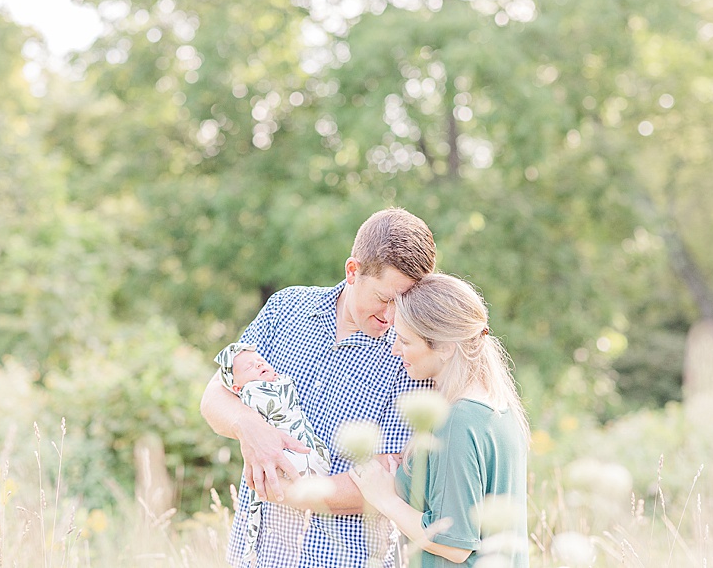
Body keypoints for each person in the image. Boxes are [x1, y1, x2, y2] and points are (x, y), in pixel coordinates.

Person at [200, 207, 437, 568]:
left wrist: (286, 492)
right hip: (256, 556)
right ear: (353, 271)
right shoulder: (285, 308)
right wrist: (249, 427)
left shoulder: (412, 356)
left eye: (404, 303)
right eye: (385, 299)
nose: (392, 317)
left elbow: (389, 481)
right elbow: (215, 396)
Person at [349, 273, 530, 568]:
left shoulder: (457, 420)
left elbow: (453, 543)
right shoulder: (497, 408)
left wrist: (383, 497)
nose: (396, 350)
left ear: (445, 346)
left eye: (405, 340)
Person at [213, 341, 332, 564]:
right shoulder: (250, 393)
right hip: (285, 457)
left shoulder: (278, 380)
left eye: (261, 361)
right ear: (237, 388)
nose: (259, 365)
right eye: (250, 368)